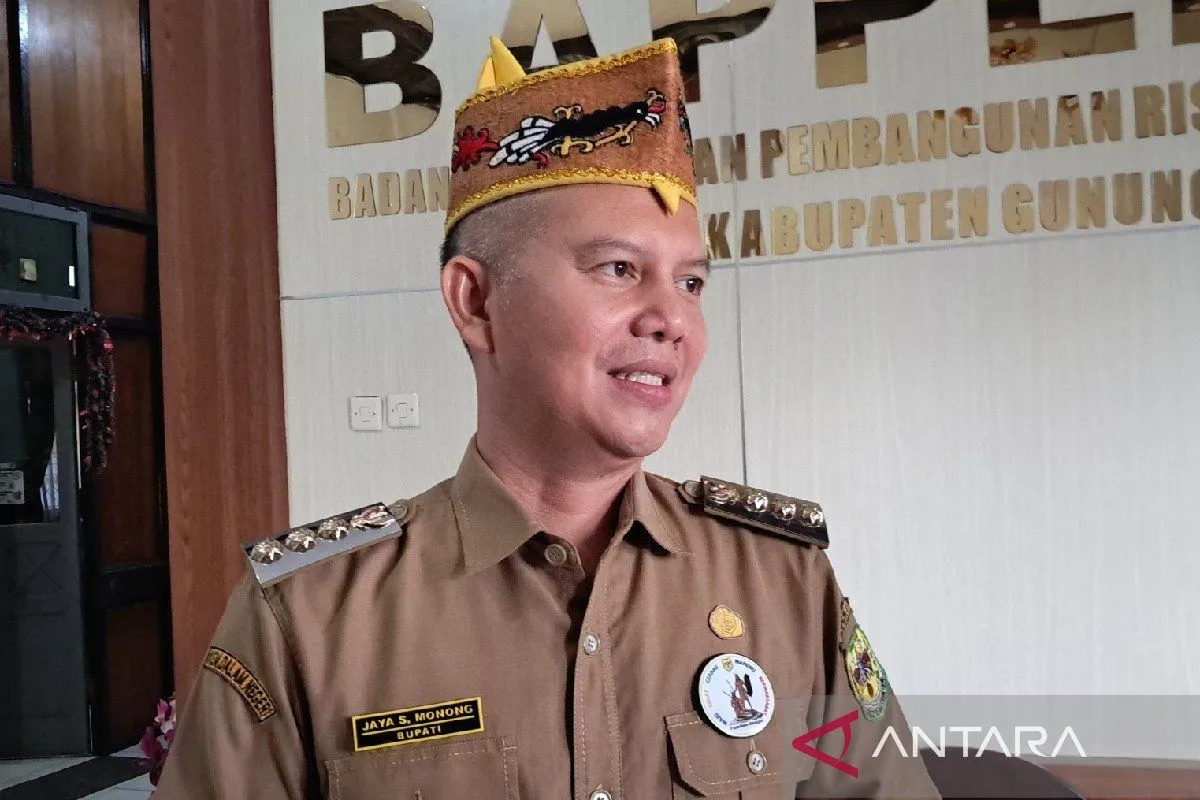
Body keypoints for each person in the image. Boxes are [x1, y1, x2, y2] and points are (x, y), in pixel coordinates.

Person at [156, 37, 940, 800]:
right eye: (619, 269)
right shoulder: (310, 615)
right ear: (476, 302)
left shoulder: (782, 579)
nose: (672, 320)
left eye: (691, 284)